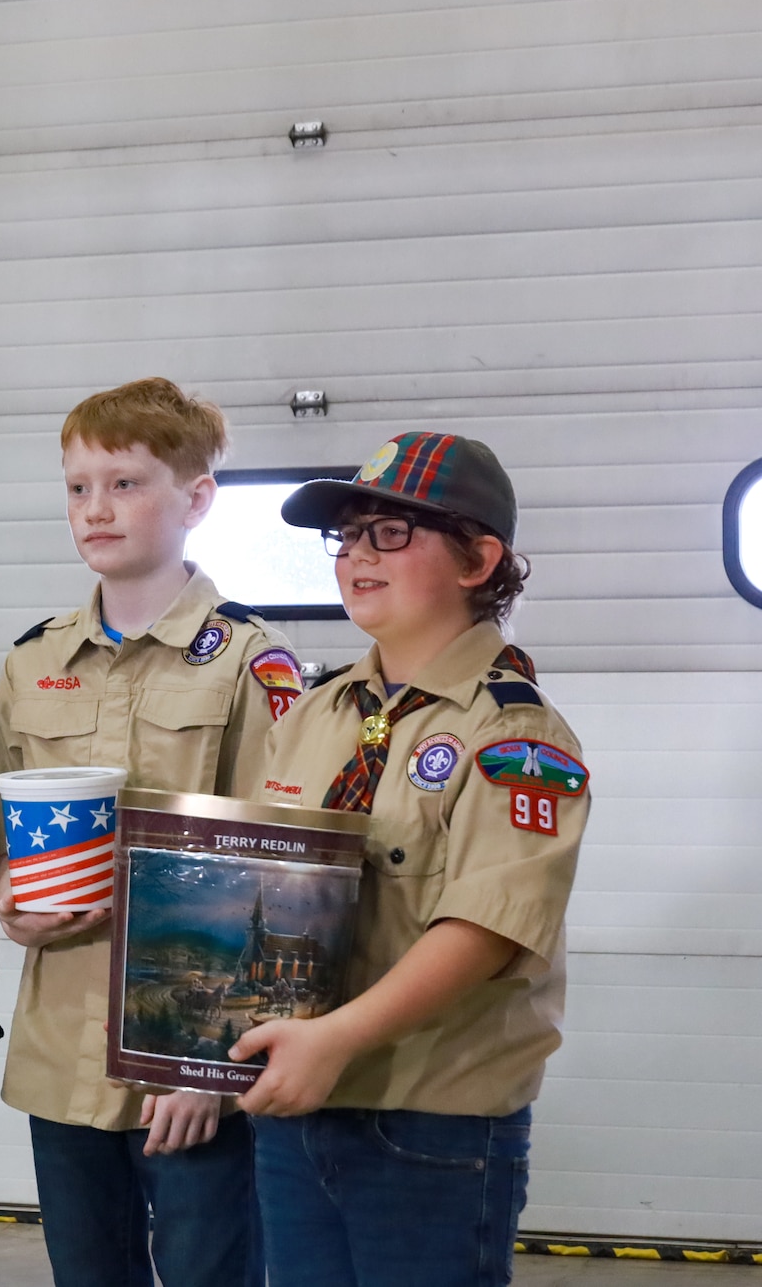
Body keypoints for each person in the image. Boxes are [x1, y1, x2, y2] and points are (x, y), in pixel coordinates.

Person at [232, 432, 589, 1286]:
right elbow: (259, 882)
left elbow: (488, 927)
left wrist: (337, 1037)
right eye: (346, 535)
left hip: (429, 1120)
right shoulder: (316, 714)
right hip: (299, 1103)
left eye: (390, 532)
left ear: (478, 559)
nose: (356, 554)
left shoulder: (513, 732)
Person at [0, 379, 285, 1287]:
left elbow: (274, 872)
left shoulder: (246, 661)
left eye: (124, 483)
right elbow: (2, 842)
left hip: (186, 1060)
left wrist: (207, 1067)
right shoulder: (36, 661)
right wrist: (11, 905)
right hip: (62, 1050)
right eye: (78, 487)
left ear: (195, 499)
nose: (95, 508)